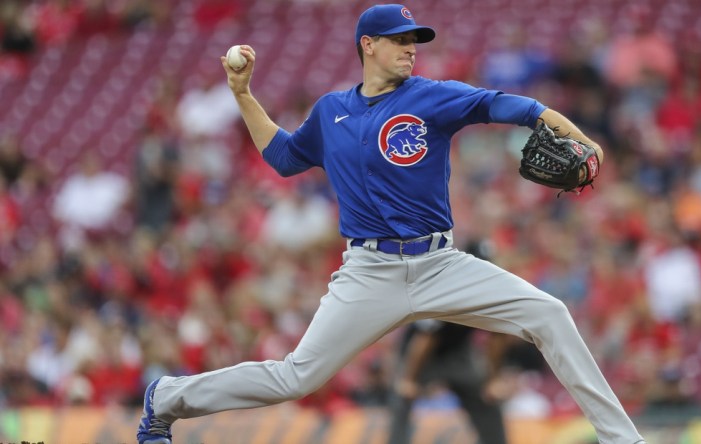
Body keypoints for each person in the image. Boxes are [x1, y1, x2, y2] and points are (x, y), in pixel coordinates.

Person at [137, 5, 645, 444]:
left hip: (440, 264)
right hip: (369, 272)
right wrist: (244, 95)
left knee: (549, 314)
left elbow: (514, 106)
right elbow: (286, 157)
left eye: (415, 41)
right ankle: (167, 397)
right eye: (400, 41)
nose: (411, 49)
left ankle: (621, 438)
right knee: (295, 378)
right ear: (368, 45)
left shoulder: (430, 96)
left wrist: (585, 140)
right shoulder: (331, 111)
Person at [387, 243, 510, 444]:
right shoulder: (446, 286)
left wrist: (493, 379)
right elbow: (426, 338)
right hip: (420, 356)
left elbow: (499, 334)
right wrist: (409, 379)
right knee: (402, 397)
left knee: (485, 397)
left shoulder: (489, 291)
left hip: (457, 353)